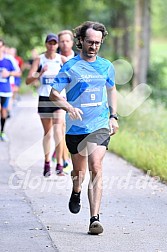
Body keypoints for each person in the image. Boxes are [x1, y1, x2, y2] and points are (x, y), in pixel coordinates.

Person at [49, 21, 119, 235]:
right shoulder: (70, 66)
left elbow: (111, 88)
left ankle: (94, 219)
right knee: (78, 172)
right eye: (90, 42)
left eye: (97, 43)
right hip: (76, 128)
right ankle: (76, 190)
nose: (93, 46)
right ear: (80, 40)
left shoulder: (106, 66)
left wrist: (113, 116)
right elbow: (53, 93)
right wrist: (68, 107)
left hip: (99, 124)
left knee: (96, 166)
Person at [26, 33, 67, 176]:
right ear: (46, 44)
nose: (52, 46)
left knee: (58, 130)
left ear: (57, 45)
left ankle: (60, 164)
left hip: (58, 98)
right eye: (50, 43)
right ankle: (47, 163)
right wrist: (39, 73)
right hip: (44, 98)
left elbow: (73, 76)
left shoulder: (62, 59)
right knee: (48, 133)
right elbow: (28, 80)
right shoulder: (40, 60)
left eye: (54, 43)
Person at [52, 30, 77, 172]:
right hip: (59, 98)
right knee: (60, 127)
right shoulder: (54, 59)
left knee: (69, 130)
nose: (65, 44)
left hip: (75, 100)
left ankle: (60, 152)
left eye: (67, 41)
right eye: (62, 41)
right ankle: (64, 161)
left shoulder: (78, 59)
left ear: (72, 43)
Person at [0, 39, 21, 141]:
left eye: (0, 47)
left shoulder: (9, 59)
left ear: (3, 47)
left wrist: (8, 73)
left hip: (5, 90)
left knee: (3, 112)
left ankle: (2, 132)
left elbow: (18, 72)